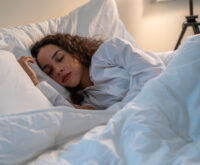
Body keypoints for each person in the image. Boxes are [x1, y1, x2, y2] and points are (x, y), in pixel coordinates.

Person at [18, 33, 165, 111]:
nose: (58, 70)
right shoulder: (88, 101)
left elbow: (152, 71)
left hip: (163, 93)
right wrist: (34, 81)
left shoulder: (109, 51)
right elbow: (67, 113)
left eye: (60, 58)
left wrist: (120, 110)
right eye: (49, 71)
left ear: (73, 51)